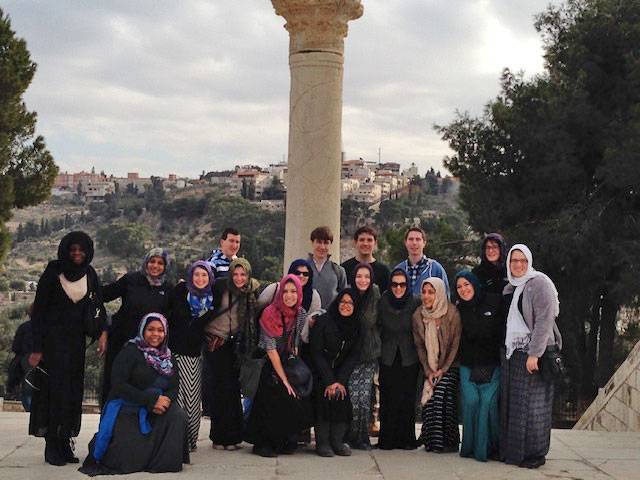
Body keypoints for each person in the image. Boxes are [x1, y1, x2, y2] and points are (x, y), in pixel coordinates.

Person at [28, 231, 107, 466]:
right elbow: (39, 313)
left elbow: (98, 306)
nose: (77, 253)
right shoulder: (53, 272)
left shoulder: (90, 274)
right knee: (54, 394)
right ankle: (51, 446)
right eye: (73, 249)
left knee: (72, 394)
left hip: (75, 345)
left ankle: (64, 443)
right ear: (65, 250)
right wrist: (37, 348)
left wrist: (103, 332)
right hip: (52, 345)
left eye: (81, 249)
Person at [79, 313, 187, 476]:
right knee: (123, 455)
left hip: (157, 406)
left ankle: (161, 462)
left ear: (165, 333)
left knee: (177, 415)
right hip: (128, 405)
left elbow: (173, 387)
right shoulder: (130, 352)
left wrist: (164, 401)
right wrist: (150, 400)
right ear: (143, 330)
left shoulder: (169, 357)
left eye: (160, 330)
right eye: (150, 329)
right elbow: (118, 385)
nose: (155, 334)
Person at [501, 244, 561, 469]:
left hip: (536, 354)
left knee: (536, 408)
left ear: (529, 262)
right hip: (515, 355)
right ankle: (517, 453)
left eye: (522, 261)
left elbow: (544, 322)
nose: (518, 265)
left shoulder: (539, 283)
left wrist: (534, 354)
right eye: (514, 261)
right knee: (518, 406)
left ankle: (536, 454)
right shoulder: (510, 288)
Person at [245, 274, 313, 457]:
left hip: (286, 358)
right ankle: (263, 443)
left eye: (293, 291)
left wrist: (294, 369)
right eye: (285, 291)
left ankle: (284, 439)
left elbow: (296, 343)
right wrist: (285, 380)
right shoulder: (270, 313)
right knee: (273, 393)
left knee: (293, 398)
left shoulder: (300, 313)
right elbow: (270, 349)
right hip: (268, 361)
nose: (289, 295)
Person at [101, 248, 172, 407]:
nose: (155, 266)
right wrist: (103, 328)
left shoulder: (168, 289)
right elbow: (102, 296)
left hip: (148, 351)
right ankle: (107, 427)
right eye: (152, 261)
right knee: (114, 386)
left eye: (160, 263)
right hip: (120, 343)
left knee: (139, 390)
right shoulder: (130, 280)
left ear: (166, 266)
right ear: (146, 263)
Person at [204, 258, 260, 450]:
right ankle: (218, 437)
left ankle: (234, 437)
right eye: (235, 274)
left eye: (243, 274)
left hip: (236, 345)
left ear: (248, 274)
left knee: (234, 390)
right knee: (218, 389)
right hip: (216, 342)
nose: (238, 278)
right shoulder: (220, 286)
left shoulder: (252, 291)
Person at [168, 261, 215, 452]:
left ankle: (189, 440)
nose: (200, 279)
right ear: (190, 276)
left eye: (204, 275)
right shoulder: (181, 291)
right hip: (174, 352)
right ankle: (175, 440)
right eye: (196, 275)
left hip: (194, 355)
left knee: (193, 401)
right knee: (176, 398)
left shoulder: (212, 300)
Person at [455, 271, 503, 462]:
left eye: (467, 284)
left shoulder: (494, 302)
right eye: (459, 287)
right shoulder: (459, 309)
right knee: (471, 402)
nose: (463, 289)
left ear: (475, 284)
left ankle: (489, 449)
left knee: (486, 405)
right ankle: (469, 448)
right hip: (467, 365)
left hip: (492, 365)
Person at [310, 289, 362, 457]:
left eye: (350, 303)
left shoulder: (357, 325)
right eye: (343, 302)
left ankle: (337, 441)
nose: (346, 306)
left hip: (340, 372)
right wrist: (329, 380)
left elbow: (354, 355)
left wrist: (339, 381)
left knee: (341, 395)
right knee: (324, 396)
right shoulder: (324, 321)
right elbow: (316, 352)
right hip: (320, 371)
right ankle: (323, 442)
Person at [412, 277, 461, 453]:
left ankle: (449, 442)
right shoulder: (418, 315)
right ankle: (432, 442)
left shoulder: (451, 313)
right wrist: (429, 371)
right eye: (424, 292)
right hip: (430, 368)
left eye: (431, 292)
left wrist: (442, 370)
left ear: (439, 293)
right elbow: (419, 346)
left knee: (440, 394)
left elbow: (455, 345)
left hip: (450, 366)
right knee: (431, 398)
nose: (426, 296)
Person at [376, 268, 421, 450]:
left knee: (407, 398)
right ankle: (387, 439)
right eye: (394, 284)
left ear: (407, 285)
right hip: (387, 356)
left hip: (409, 356)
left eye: (402, 284)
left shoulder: (415, 301)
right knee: (388, 398)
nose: (398, 288)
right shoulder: (383, 301)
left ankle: (406, 440)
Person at [346, 263, 381, 450]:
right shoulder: (348, 294)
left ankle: (362, 437)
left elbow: (373, 321)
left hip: (369, 353)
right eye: (359, 276)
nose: (363, 280)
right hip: (350, 355)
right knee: (352, 397)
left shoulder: (374, 294)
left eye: (367, 276)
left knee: (364, 398)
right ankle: (349, 436)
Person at [395, 226, 450, 298]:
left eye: (418, 239)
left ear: (424, 243)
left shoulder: (435, 269)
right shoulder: (399, 269)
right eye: (411, 239)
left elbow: (445, 297)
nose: (414, 243)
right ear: (405, 242)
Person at [341, 226, 391, 293]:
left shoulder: (384, 271)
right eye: (362, 240)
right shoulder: (343, 269)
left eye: (369, 240)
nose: (365, 243)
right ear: (355, 242)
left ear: (375, 243)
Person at [307, 226, 347, 308]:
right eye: (318, 242)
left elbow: (344, 298)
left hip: (331, 318)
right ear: (312, 242)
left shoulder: (338, 271)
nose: (322, 247)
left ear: (330, 245)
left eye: (326, 243)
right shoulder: (301, 269)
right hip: (305, 318)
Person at [8, 305, 34, 412]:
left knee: (27, 388)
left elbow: (15, 347)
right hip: (44, 360)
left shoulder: (24, 327)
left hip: (26, 359)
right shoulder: (49, 328)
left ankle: (30, 410)